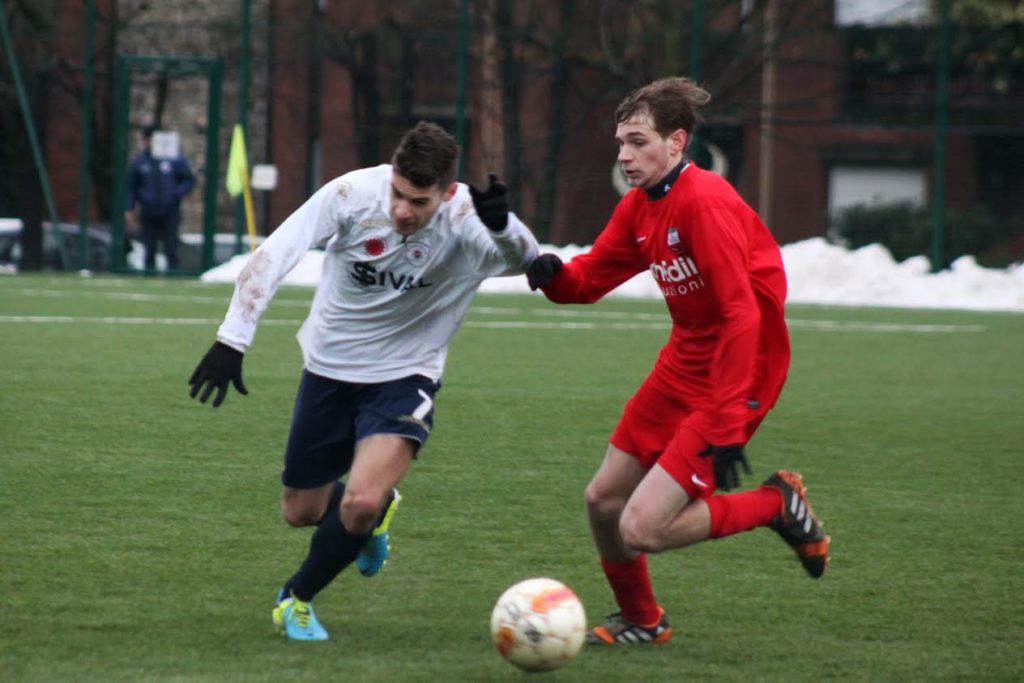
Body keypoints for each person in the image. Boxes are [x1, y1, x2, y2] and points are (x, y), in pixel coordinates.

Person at [187, 121, 539, 642]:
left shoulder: (468, 217)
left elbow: (528, 261)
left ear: (445, 194)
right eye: (398, 193)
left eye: (418, 201)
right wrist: (231, 340)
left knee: (360, 502)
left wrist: (503, 225)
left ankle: (296, 598)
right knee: (300, 511)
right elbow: (275, 253)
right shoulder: (352, 194)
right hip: (328, 370)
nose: (402, 209)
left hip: (406, 375)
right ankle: (371, 521)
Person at [526, 77, 830, 646]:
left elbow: (743, 315)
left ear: (676, 142)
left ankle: (773, 503)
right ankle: (643, 620)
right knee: (603, 501)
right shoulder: (642, 205)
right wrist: (551, 274)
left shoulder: (705, 203)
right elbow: (591, 279)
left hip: (742, 366)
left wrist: (730, 419)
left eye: (638, 141)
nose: (624, 154)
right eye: (620, 142)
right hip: (685, 359)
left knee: (642, 527)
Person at [125, 125, 196, 271]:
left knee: (171, 247)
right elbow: (132, 187)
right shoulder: (140, 161)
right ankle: (148, 276)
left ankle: (174, 275)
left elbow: (189, 180)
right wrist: (130, 207)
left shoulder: (174, 159)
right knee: (149, 247)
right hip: (148, 210)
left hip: (170, 210)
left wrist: (175, 194)